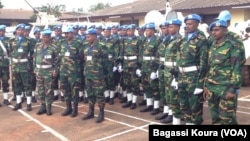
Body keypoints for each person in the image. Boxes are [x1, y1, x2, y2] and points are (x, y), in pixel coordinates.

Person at [203, 20, 244, 125]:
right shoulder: (212, 46)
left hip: (225, 88)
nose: (214, 32)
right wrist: (206, 86)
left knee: (227, 119)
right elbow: (210, 67)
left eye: (217, 30)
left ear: (225, 30)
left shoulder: (232, 46)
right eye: (212, 30)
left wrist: (232, 89)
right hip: (212, 89)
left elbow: (236, 68)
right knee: (215, 118)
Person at [177, 14, 208, 125]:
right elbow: (179, 59)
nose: (187, 26)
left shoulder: (201, 40)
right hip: (182, 77)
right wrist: (177, 78)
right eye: (186, 24)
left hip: (193, 77)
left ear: (197, 24)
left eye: (190, 24)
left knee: (195, 107)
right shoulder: (184, 39)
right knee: (184, 105)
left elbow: (204, 63)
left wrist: (200, 84)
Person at [81, 28, 108, 123]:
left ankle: (101, 113)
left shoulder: (102, 46)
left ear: (94, 36)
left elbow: (106, 62)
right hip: (88, 74)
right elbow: (85, 60)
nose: (87, 38)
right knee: (90, 94)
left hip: (98, 75)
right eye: (86, 37)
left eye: (88, 37)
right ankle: (91, 112)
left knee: (100, 95)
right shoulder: (86, 46)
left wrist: (105, 75)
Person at [161, 19, 183, 125]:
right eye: (168, 27)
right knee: (168, 94)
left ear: (178, 28)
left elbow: (180, 58)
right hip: (166, 71)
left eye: (172, 27)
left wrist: (177, 74)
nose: (169, 29)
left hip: (173, 72)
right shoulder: (169, 39)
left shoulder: (180, 40)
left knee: (174, 95)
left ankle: (175, 116)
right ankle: (170, 113)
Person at [59, 26, 83, 117]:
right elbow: (60, 56)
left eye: (68, 33)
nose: (66, 35)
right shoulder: (62, 43)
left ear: (72, 33)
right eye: (65, 33)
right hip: (63, 71)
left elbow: (81, 57)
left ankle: (75, 109)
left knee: (74, 91)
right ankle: (68, 108)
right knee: (65, 90)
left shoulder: (78, 43)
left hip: (74, 71)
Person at [34, 29, 59, 115]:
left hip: (48, 71)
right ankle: (42, 106)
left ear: (50, 37)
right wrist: (35, 68)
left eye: (47, 37)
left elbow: (57, 60)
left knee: (48, 90)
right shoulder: (38, 46)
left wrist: (55, 70)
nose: (45, 38)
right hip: (39, 70)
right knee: (40, 90)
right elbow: (34, 57)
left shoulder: (54, 47)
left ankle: (48, 107)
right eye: (43, 37)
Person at [9, 23, 34, 111]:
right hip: (15, 66)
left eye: (22, 30)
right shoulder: (12, 40)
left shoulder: (29, 40)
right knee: (17, 85)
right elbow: (10, 52)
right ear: (16, 31)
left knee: (27, 85)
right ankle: (18, 103)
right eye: (19, 30)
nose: (21, 31)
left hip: (25, 65)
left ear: (24, 31)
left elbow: (32, 53)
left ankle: (28, 104)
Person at [139, 22, 162, 115]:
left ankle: (156, 107)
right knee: (146, 86)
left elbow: (158, 56)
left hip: (152, 67)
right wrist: (139, 67)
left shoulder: (157, 40)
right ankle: (149, 105)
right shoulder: (145, 40)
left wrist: (155, 70)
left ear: (153, 31)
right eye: (145, 30)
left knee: (154, 87)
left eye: (148, 30)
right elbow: (141, 54)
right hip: (144, 67)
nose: (146, 32)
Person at [121, 24, 142, 109]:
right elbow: (122, 52)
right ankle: (129, 101)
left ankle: (134, 102)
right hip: (126, 64)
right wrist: (121, 64)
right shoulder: (124, 40)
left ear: (134, 30)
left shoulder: (138, 40)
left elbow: (140, 53)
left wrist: (139, 66)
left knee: (135, 83)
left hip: (134, 64)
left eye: (130, 30)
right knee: (127, 83)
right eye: (127, 30)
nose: (128, 32)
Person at [154, 21, 171, 121]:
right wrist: (156, 68)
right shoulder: (162, 39)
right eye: (162, 28)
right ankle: (165, 111)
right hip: (162, 68)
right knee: (163, 91)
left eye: (165, 28)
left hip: (170, 70)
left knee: (171, 93)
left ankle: (171, 113)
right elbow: (158, 55)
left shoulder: (174, 40)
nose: (164, 30)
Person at [101, 26, 119, 105]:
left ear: (110, 32)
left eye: (107, 31)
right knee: (104, 80)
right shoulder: (100, 40)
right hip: (102, 63)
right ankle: (106, 96)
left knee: (111, 80)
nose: (106, 33)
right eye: (104, 31)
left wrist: (115, 64)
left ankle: (111, 97)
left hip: (110, 63)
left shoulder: (114, 40)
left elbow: (116, 53)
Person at [51, 25, 65, 101]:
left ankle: (63, 94)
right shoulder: (51, 39)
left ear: (61, 31)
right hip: (53, 62)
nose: (57, 32)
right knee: (54, 79)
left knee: (62, 79)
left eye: (59, 31)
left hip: (62, 61)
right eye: (56, 31)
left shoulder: (64, 39)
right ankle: (55, 94)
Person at [0, 25, 11, 106]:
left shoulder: (8, 40)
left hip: (5, 63)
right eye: (0, 31)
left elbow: (11, 51)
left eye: (3, 31)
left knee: (5, 81)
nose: (2, 32)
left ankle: (6, 99)